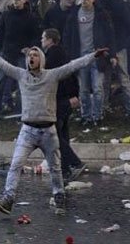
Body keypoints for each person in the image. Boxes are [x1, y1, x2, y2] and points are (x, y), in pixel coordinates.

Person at [0, 38, 108, 216]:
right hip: (27, 131)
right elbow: (0, 62)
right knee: (15, 165)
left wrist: (93, 56)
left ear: (41, 59)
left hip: (48, 131)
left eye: (35, 55)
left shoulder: (52, 75)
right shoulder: (20, 75)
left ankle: (59, 197)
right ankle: (8, 198)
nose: (31, 57)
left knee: (55, 168)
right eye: (29, 55)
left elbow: (73, 65)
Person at [41, 28, 85, 181]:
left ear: (50, 40)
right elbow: (72, 75)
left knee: (56, 136)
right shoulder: (63, 54)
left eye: (43, 38)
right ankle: (66, 170)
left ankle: (74, 162)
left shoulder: (52, 57)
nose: (41, 41)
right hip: (66, 99)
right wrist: (75, 95)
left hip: (59, 100)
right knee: (63, 135)